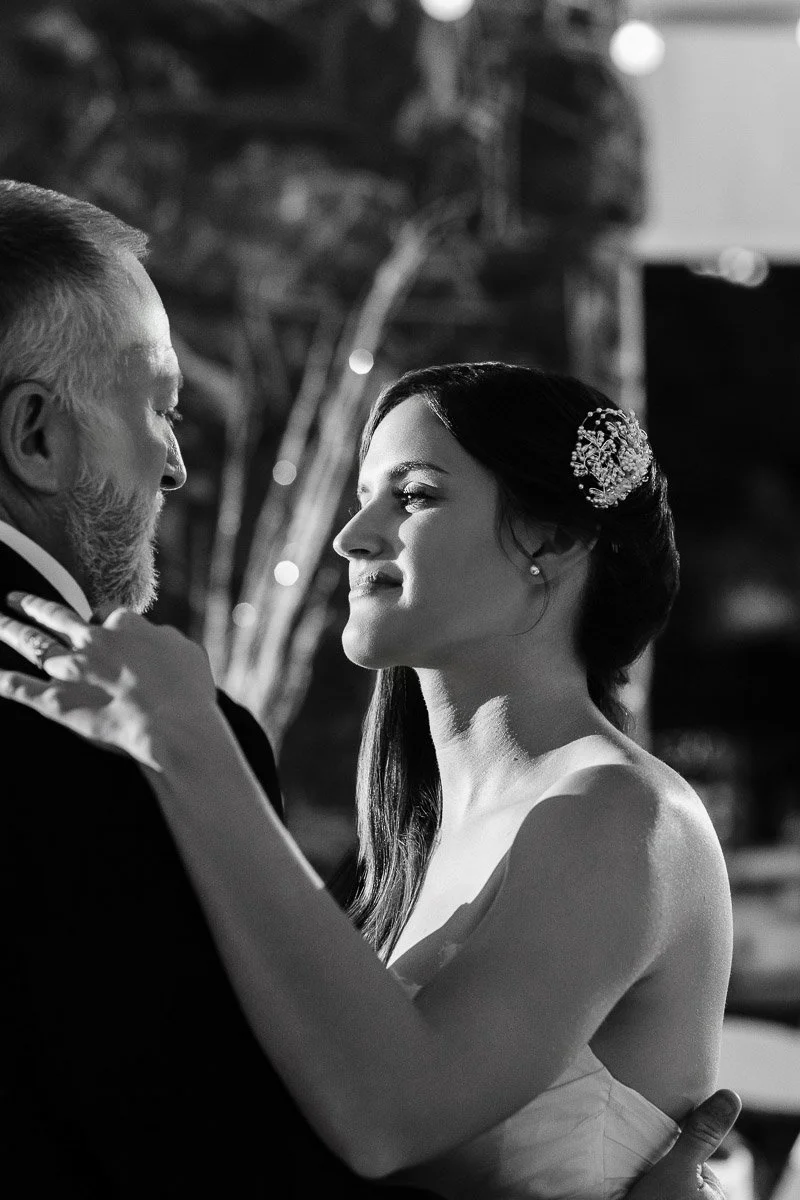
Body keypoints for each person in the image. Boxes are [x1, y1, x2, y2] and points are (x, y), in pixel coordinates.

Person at [0, 346, 736, 1197]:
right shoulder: (413, 839)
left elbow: (393, 1114)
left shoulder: (619, 816)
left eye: (414, 496)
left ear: (553, 538)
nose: (353, 538)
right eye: (362, 500)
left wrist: (190, 743)